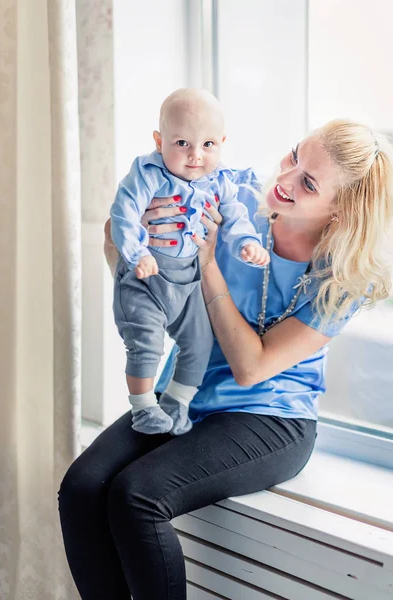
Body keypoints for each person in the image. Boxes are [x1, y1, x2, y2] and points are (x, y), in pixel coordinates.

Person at [59, 119, 393, 600]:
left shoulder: (341, 280)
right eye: (294, 156)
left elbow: (251, 368)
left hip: (269, 418)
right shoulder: (234, 200)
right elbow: (154, 285)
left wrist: (210, 263)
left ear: (340, 210)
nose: (286, 178)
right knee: (82, 487)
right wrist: (129, 237)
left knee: (136, 497)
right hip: (187, 392)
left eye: (309, 182)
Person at [110, 88, 268, 435]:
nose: (196, 155)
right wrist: (138, 253)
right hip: (145, 278)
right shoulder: (149, 173)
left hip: (189, 282)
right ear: (159, 141)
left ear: (222, 142)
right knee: (145, 341)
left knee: (199, 342)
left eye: (208, 145)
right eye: (182, 143)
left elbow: (236, 215)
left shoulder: (220, 181)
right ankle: (144, 408)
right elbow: (124, 214)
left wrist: (247, 242)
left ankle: (176, 404)